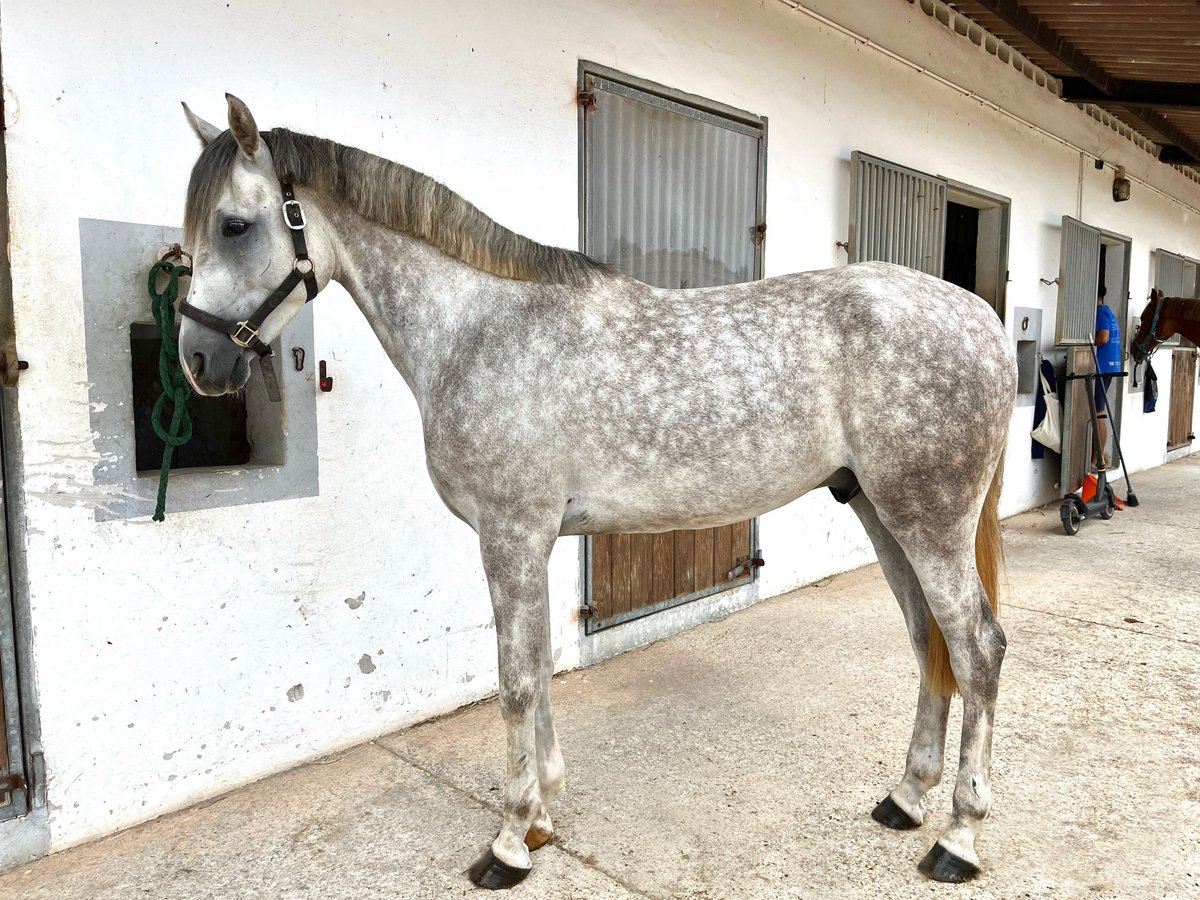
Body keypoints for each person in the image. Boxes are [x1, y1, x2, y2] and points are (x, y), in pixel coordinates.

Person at [1094, 286, 1121, 466]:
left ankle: (1097, 459)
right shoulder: (1109, 312)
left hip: (1101, 368)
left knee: (1097, 412)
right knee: (1098, 412)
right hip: (1108, 367)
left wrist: (1086, 343)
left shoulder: (1100, 312)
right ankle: (1098, 457)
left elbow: (1103, 338)